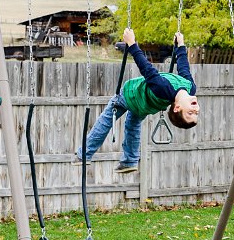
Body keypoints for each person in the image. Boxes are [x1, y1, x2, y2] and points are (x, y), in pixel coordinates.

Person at [76, 28, 199, 174]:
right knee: (133, 126)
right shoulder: (191, 88)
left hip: (129, 95)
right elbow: (184, 68)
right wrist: (181, 45)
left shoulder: (163, 88)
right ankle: (130, 161)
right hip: (143, 106)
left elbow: (146, 68)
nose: (195, 110)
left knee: (106, 120)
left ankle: (84, 155)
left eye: (190, 113)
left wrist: (132, 44)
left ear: (177, 108)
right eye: (196, 113)